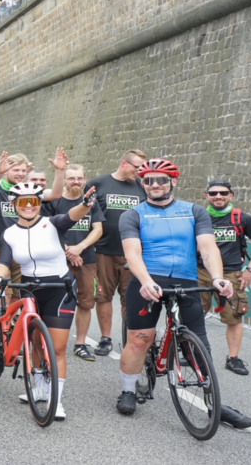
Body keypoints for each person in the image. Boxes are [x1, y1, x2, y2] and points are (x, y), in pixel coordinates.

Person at [115, 159, 251, 429]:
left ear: (173, 182)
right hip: (148, 279)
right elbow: (132, 253)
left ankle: (214, 401)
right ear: (143, 183)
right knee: (139, 340)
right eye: (149, 180)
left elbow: (208, 248)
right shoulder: (132, 215)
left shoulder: (194, 211)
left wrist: (217, 277)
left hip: (186, 280)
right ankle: (129, 390)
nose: (155, 185)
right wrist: (145, 281)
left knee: (201, 343)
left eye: (162, 180)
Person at [0, 181, 97, 420]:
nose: (29, 206)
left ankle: (56, 400)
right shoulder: (9, 234)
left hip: (59, 288)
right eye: (23, 202)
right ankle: (39, 388)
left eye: (33, 201)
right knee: (36, 343)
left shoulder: (52, 223)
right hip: (30, 288)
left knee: (57, 348)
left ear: (40, 203)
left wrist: (86, 203)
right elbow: (4, 261)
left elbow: (72, 215)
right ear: (14, 205)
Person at [198, 179, 251, 376]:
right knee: (194, 315)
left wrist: (250, 270)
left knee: (233, 317)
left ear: (231, 196)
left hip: (232, 274)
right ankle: (190, 352)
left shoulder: (242, 218)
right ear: (207, 196)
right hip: (201, 272)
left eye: (223, 193)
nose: (218, 196)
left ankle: (233, 359)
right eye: (213, 193)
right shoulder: (199, 217)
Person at [0, 150, 67, 302]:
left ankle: (15, 325)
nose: (20, 173)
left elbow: (56, 194)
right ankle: (2, 326)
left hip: (21, 247)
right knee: (1, 293)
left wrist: (60, 171)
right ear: (7, 170)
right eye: (15, 170)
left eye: (23, 170)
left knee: (19, 293)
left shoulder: (28, 191)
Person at [86, 149, 147, 357]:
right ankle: (105, 338)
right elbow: (85, 213)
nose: (140, 172)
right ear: (124, 163)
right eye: (136, 167)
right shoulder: (99, 184)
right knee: (103, 296)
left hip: (134, 253)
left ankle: (129, 338)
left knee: (130, 299)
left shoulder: (142, 187)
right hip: (104, 251)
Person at [42, 165, 105, 362]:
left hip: (87, 259)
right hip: (56, 259)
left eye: (79, 178)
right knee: (51, 300)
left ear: (85, 179)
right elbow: (46, 228)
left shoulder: (91, 202)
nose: (75, 182)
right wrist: (69, 251)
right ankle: (46, 340)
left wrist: (80, 247)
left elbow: (98, 229)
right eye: (71, 178)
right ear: (64, 180)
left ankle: (81, 343)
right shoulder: (54, 201)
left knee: (86, 302)